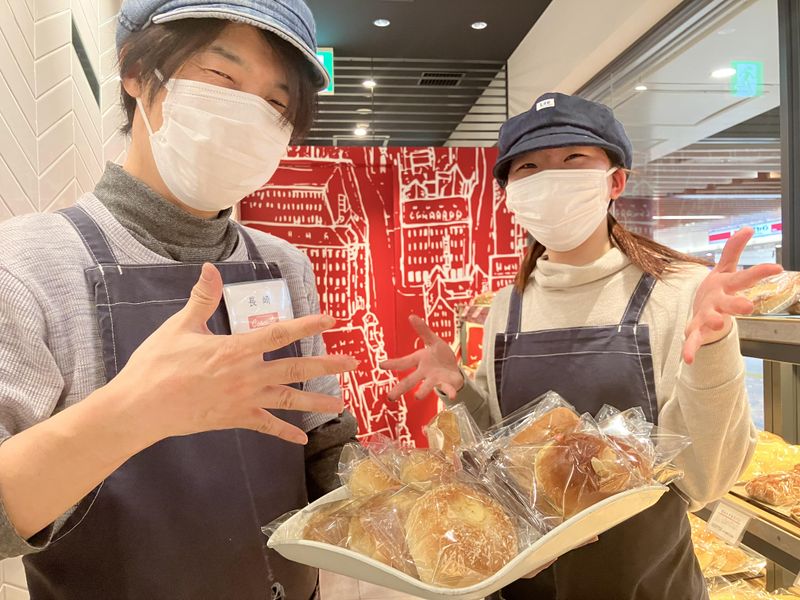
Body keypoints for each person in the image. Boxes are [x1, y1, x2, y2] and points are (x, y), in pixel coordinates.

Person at [0, 1, 360, 598]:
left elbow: (320, 437)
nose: (250, 115)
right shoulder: (27, 264)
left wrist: (400, 493)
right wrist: (133, 412)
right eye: (221, 77)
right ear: (136, 72)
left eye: (276, 103)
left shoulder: (284, 264)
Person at [382, 92, 780, 600]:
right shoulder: (508, 305)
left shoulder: (681, 291)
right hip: (528, 582)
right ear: (510, 194)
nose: (551, 178)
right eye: (529, 167)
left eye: (573, 158)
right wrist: (460, 389)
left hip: (646, 581)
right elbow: (501, 455)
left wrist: (715, 346)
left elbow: (703, 481)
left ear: (615, 180)